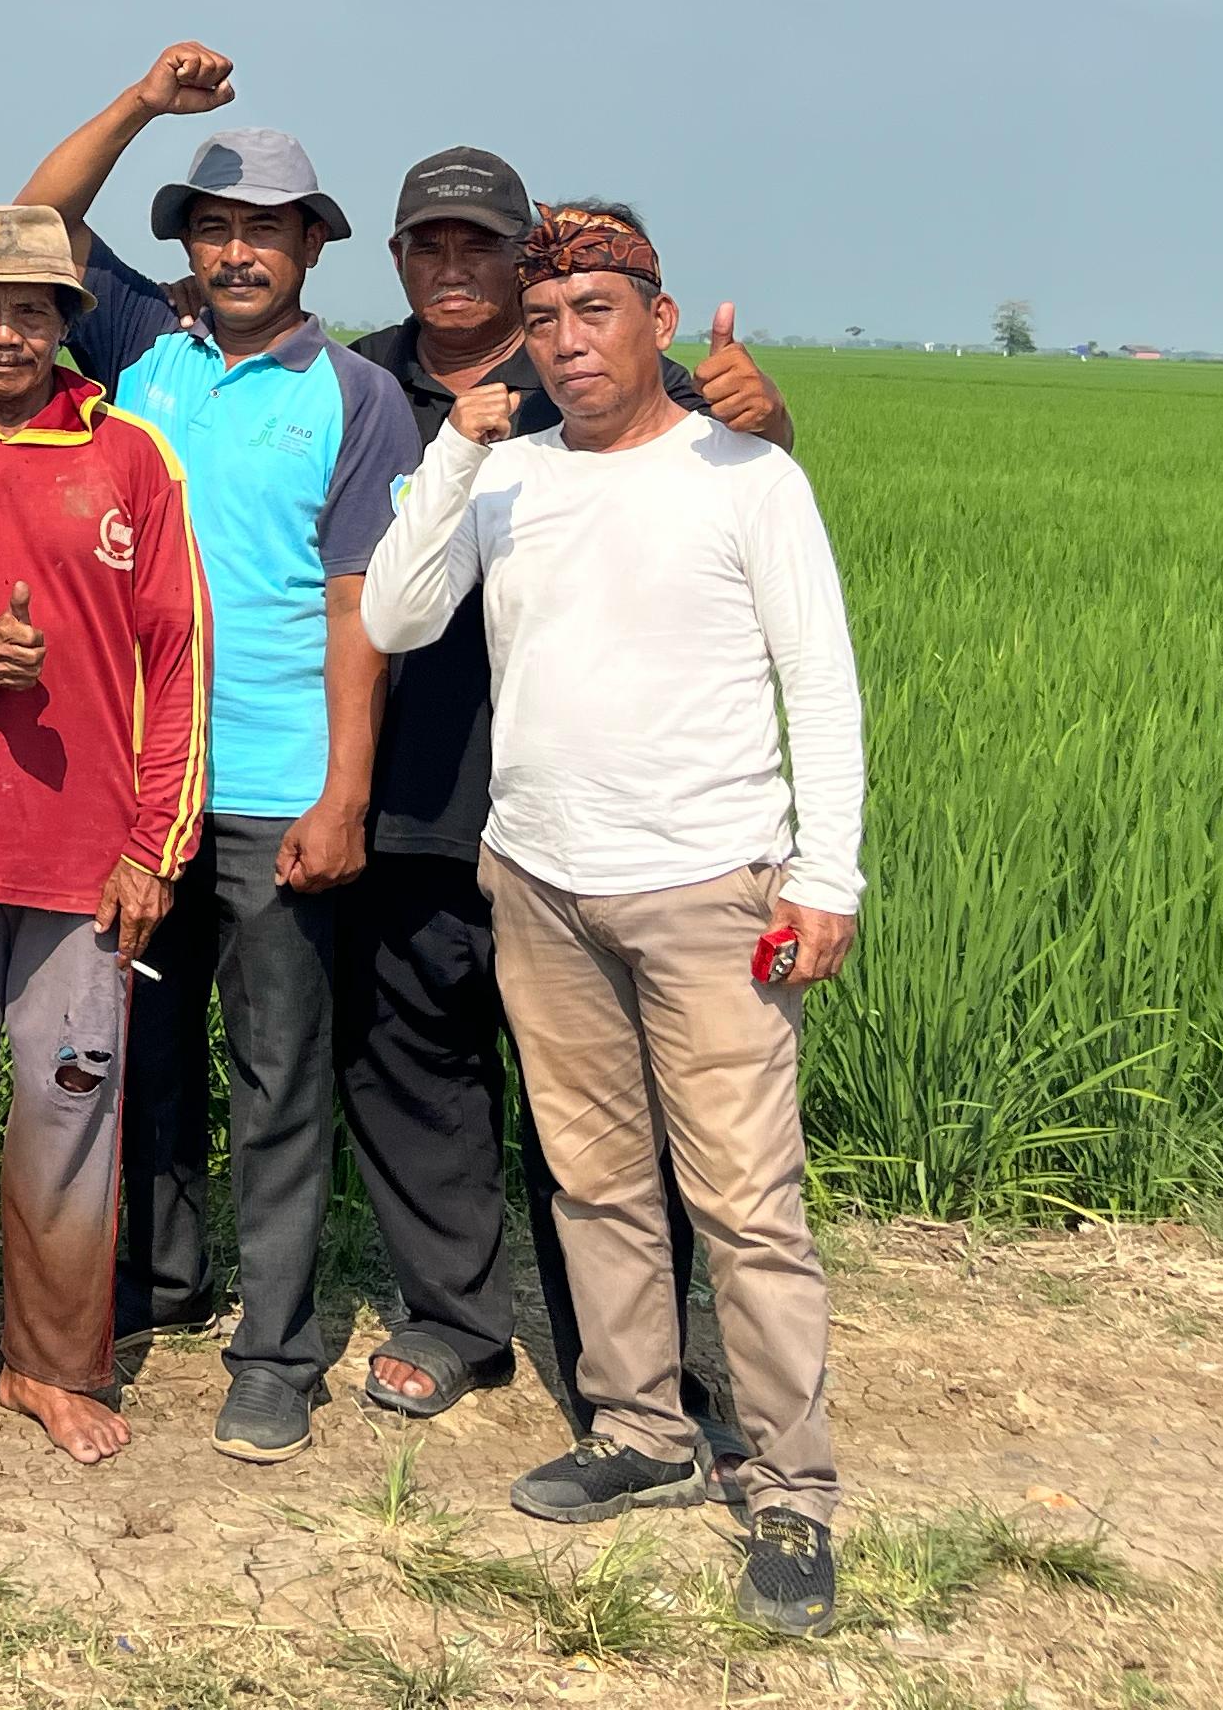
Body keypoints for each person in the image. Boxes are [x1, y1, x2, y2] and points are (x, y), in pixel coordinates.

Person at [361, 202, 865, 1641]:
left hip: (711, 884)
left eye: (597, 310)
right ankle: (639, 1429)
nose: (568, 342)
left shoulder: (745, 475)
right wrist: (457, 446)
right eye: (547, 316)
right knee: (592, 1178)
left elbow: (818, 685)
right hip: (538, 877)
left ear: (658, 316)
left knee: (745, 1200)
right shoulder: (507, 475)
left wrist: (828, 874)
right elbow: (396, 616)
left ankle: (790, 1486)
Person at [342, 147, 792, 1435]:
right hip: (418, 801)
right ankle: (457, 1321)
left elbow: (744, 462)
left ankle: (627, 1362)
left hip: (595, 830)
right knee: (416, 1071)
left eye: (482, 247)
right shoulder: (363, 383)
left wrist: (774, 417)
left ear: (530, 258)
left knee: (605, 1111)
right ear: (398, 261)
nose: (454, 269)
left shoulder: (606, 370)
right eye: (428, 245)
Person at [16, 44, 405, 1464]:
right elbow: (40, 222)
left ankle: (280, 1348)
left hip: (272, 789)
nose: (238, 252)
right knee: (134, 1055)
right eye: (215, 227)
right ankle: (154, 1282)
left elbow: (361, 602)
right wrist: (136, 104)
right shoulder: (142, 352)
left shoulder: (356, 398)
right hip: (130, 790)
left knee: (281, 1071)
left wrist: (343, 791)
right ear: (187, 244)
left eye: (267, 230)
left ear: (311, 246)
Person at [0, 206, 205, 1468]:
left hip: (85, 856)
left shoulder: (131, 456)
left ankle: (51, 1366)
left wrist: (153, 846)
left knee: (70, 1110)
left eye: (31, 311)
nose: (4, 333)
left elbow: (176, 660)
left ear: (70, 323)